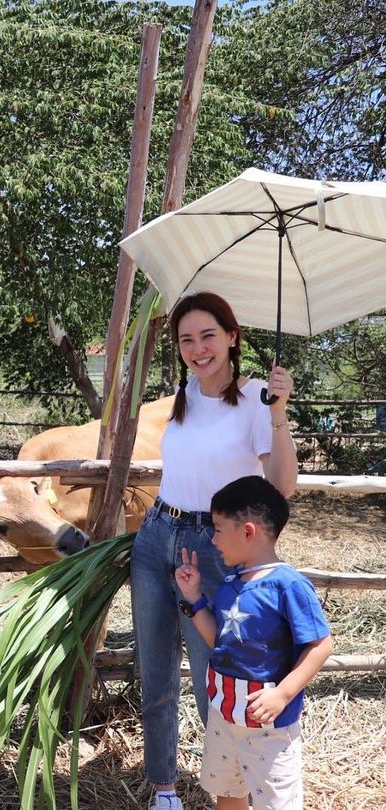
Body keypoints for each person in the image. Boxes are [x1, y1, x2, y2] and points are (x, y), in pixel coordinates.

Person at [130, 291, 299, 810]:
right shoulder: (180, 397)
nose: (198, 348)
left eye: (208, 335)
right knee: (155, 672)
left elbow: (282, 486)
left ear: (232, 337)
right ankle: (164, 787)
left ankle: (227, 788)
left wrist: (279, 413)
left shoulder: (256, 399)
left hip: (214, 546)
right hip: (158, 536)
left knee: (214, 674)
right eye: (186, 339)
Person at [175, 476, 332, 810]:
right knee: (229, 792)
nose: (212, 539)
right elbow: (219, 640)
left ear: (247, 531)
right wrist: (194, 599)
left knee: (275, 803)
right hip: (224, 713)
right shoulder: (231, 583)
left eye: (218, 528)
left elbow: (320, 646)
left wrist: (282, 693)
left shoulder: (288, 586)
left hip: (267, 725)